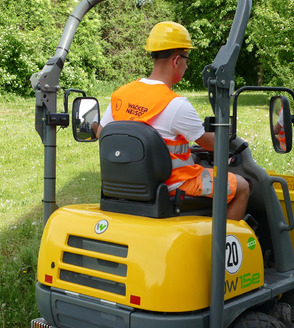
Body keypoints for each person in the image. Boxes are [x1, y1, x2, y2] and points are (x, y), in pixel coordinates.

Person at [96, 21, 250, 221]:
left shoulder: (121, 94)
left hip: (126, 187)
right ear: (177, 60)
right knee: (242, 186)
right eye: (187, 59)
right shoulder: (176, 104)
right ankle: (222, 249)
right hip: (173, 185)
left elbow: (102, 133)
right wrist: (226, 132)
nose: (186, 65)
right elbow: (213, 144)